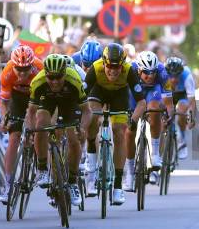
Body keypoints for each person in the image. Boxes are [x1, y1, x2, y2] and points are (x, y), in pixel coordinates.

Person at [24, 54, 91, 207]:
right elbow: (31, 111)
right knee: (41, 125)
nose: (54, 81)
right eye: (51, 78)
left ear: (65, 73)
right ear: (45, 74)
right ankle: (42, 169)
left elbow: (87, 111)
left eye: (58, 77)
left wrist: (83, 128)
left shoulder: (74, 79)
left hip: (69, 102)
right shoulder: (38, 81)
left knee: (74, 139)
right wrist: (30, 130)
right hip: (47, 101)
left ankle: (73, 183)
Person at [84, 43, 146, 205]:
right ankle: (91, 169)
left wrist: (133, 120)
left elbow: (141, 103)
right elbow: (80, 97)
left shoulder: (129, 71)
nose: (113, 71)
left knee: (120, 132)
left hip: (119, 96)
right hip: (98, 92)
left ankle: (118, 186)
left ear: (122, 65)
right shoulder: (95, 69)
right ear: (104, 63)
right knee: (92, 118)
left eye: (117, 67)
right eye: (110, 66)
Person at [0, 45, 43, 204]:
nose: (23, 73)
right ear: (13, 65)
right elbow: (4, 103)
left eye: (26, 69)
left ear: (32, 65)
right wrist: (4, 120)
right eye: (19, 70)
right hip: (17, 99)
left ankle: (39, 164)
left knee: (37, 131)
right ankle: (8, 183)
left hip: (36, 98)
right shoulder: (7, 73)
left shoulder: (39, 69)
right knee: (14, 136)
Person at [124, 51, 173, 190]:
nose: (150, 76)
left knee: (154, 108)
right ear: (139, 69)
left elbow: (169, 102)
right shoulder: (130, 70)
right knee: (129, 132)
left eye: (153, 72)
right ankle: (130, 173)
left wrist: (169, 113)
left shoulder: (162, 72)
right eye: (146, 72)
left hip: (153, 93)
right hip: (135, 95)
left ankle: (155, 153)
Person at [164, 57, 198, 159]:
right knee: (164, 113)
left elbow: (192, 100)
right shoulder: (163, 75)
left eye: (177, 76)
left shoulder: (187, 76)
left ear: (181, 73)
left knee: (181, 111)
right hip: (168, 94)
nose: (174, 79)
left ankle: (181, 138)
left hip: (182, 95)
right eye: (171, 76)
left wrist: (191, 118)